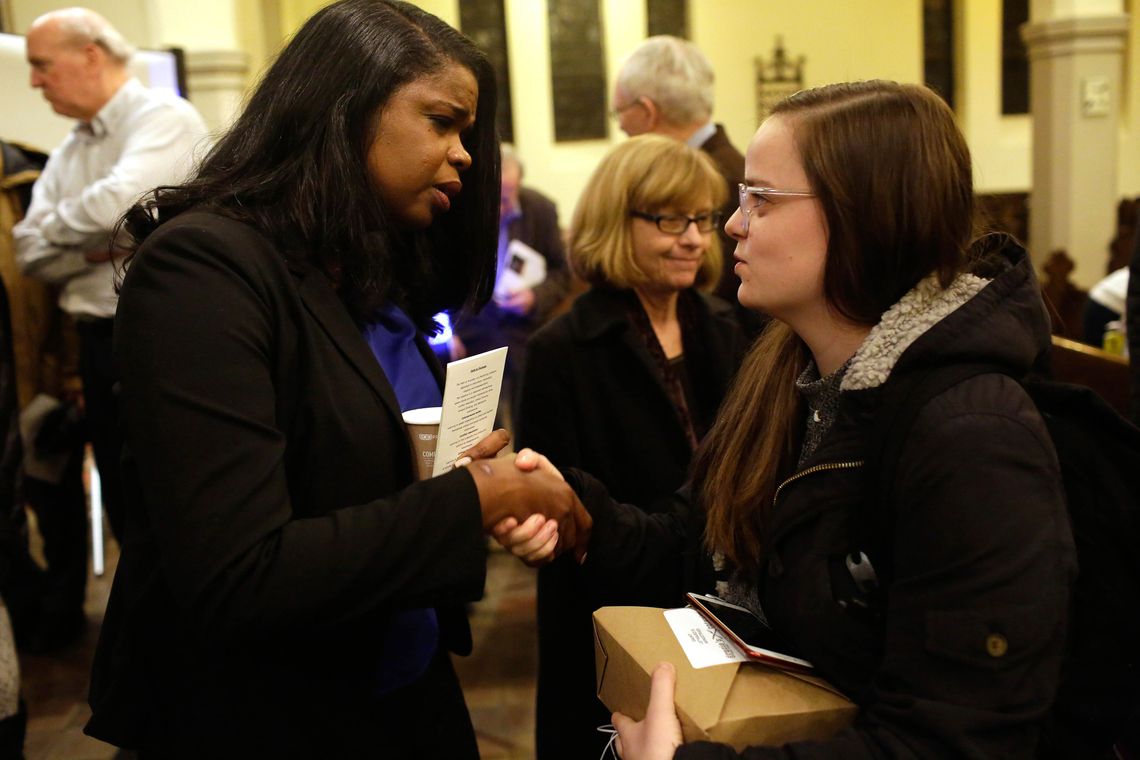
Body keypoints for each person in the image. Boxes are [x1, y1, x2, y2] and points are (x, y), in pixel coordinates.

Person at [501, 81, 1076, 758]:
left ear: (866, 216)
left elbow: (955, 739)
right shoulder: (785, 372)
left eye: (760, 201)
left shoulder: (974, 436)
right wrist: (582, 515)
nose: (732, 225)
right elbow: (700, 539)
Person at [83, 1, 589, 756]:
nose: (465, 155)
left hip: (403, 686)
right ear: (346, 110)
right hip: (271, 715)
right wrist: (477, 499)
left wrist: (477, 474)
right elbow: (242, 573)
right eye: (443, 122)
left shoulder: (369, 276)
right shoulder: (203, 269)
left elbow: (370, 468)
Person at [515, 134, 744, 760]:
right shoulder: (562, 350)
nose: (695, 238)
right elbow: (558, 510)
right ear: (618, 223)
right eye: (671, 219)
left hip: (718, 611)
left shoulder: (730, 326)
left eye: (702, 219)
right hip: (614, 617)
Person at [13, 8, 208, 544]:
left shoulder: (164, 117)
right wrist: (102, 248)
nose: (34, 81)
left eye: (42, 65)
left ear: (90, 55)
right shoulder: (74, 147)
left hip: (156, 341)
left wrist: (98, 230)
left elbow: (117, 208)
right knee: (123, 500)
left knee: (166, 500)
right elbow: (28, 251)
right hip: (94, 347)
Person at [611, 36, 757, 334]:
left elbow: (716, 302)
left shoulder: (718, 183)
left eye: (620, 111)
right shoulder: (734, 168)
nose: (620, 125)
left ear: (648, 112)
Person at [452, 144, 569, 423]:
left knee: (533, 420)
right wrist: (448, 331)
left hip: (523, 332)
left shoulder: (540, 209)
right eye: (498, 198)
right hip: (473, 333)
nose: (506, 206)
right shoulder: (457, 213)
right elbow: (440, 279)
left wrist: (535, 297)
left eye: (511, 195)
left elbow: (560, 272)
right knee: (477, 428)